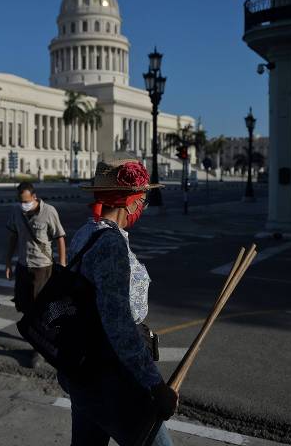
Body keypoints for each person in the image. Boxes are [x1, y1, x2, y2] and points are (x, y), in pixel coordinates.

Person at [58, 159, 177, 446]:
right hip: (110, 377)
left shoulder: (88, 232)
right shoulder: (111, 244)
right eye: (143, 199)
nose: (143, 206)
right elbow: (119, 325)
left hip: (84, 369)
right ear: (130, 200)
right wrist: (155, 384)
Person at [5, 182, 67, 312]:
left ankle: (38, 331)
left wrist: (62, 264)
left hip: (42, 268)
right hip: (23, 265)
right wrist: (8, 262)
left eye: (26, 201)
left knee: (40, 306)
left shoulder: (49, 211)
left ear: (34, 196)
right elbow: (13, 237)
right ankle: (29, 330)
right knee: (22, 304)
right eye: (21, 201)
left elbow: (60, 237)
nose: (23, 205)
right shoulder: (16, 211)